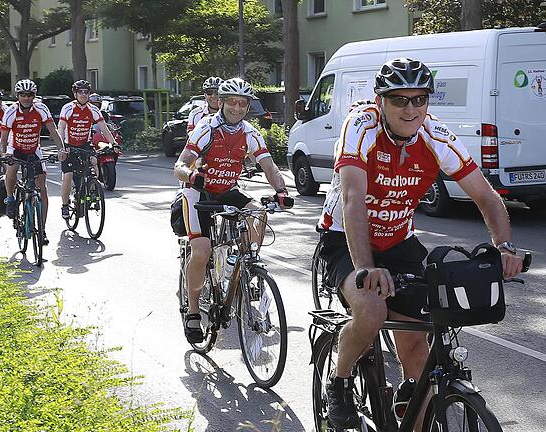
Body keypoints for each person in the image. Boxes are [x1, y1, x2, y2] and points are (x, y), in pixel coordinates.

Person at [315, 58, 525, 430]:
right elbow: (352, 200)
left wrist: (504, 246)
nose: (410, 109)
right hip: (345, 237)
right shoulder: (361, 126)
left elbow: (487, 197)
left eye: (419, 99)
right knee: (372, 310)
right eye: (399, 99)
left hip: (399, 241)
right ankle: (340, 379)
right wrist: (366, 267)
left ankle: (413, 395)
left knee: (424, 327)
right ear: (380, 101)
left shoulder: (436, 136)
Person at [173, 77, 289, 344]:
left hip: (226, 189)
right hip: (198, 192)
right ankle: (192, 311)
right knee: (202, 250)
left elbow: (269, 166)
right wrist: (190, 177)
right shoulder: (207, 127)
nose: (237, 108)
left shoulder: (250, 132)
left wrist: (281, 190)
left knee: (259, 212)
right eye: (232, 102)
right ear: (222, 102)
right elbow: (180, 164)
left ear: (248, 106)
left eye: (243, 103)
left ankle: (245, 260)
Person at [0, 79, 65, 246]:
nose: (26, 98)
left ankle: (41, 229)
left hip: (34, 149)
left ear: (34, 96)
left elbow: (53, 130)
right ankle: (10, 198)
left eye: (29, 95)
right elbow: (3, 140)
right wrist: (4, 153)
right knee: (11, 169)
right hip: (16, 147)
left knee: (42, 187)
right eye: (22, 95)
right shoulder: (11, 112)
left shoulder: (41, 108)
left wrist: (61, 149)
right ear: (18, 96)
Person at [57, 80, 117, 218]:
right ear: (75, 94)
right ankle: (65, 205)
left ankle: (91, 190)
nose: (83, 94)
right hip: (69, 145)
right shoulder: (68, 108)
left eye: (86, 92)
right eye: (80, 92)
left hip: (85, 144)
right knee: (68, 175)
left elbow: (104, 128)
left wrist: (113, 143)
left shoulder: (93, 109)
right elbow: (61, 127)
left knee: (94, 163)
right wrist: (61, 148)